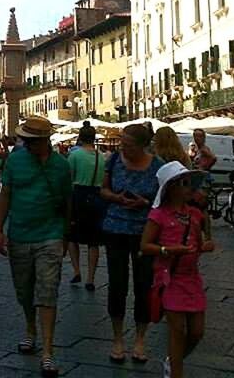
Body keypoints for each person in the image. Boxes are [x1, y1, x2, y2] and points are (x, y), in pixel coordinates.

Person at [0, 117, 72, 378]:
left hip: (50, 234)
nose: (26, 145)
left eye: (30, 141)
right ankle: (31, 329)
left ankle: (48, 352)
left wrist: (65, 236)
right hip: (19, 234)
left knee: (47, 291)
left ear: (43, 140)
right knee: (24, 291)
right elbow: (5, 194)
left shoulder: (62, 166)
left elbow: (68, 201)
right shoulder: (15, 160)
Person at [141, 161, 214, 378]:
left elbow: (200, 242)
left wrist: (205, 246)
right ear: (171, 188)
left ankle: (173, 360)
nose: (190, 187)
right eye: (184, 183)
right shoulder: (158, 215)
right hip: (169, 278)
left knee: (197, 331)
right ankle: (175, 372)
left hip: (192, 278)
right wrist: (167, 250)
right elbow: (145, 245)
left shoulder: (195, 214)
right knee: (177, 330)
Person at [100, 123, 163, 363]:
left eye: (127, 144)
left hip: (144, 232)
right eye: (122, 143)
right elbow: (103, 190)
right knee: (117, 284)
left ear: (142, 145)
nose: (122, 147)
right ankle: (117, 339)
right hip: (115, 227)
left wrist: (144, 203)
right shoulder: (114, 160)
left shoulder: (157, 167)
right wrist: (116, 198)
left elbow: (162, 201)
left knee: (143, 284)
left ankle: (139, 339)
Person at [66, 124, 104, 292]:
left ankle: (76, 270)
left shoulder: (74, 155)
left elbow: (69, 178)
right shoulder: (101, 157)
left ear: (80, 137)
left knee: (72, 237)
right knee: (93, 241)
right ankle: (91, 277)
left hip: (78, 197)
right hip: (96, 197)